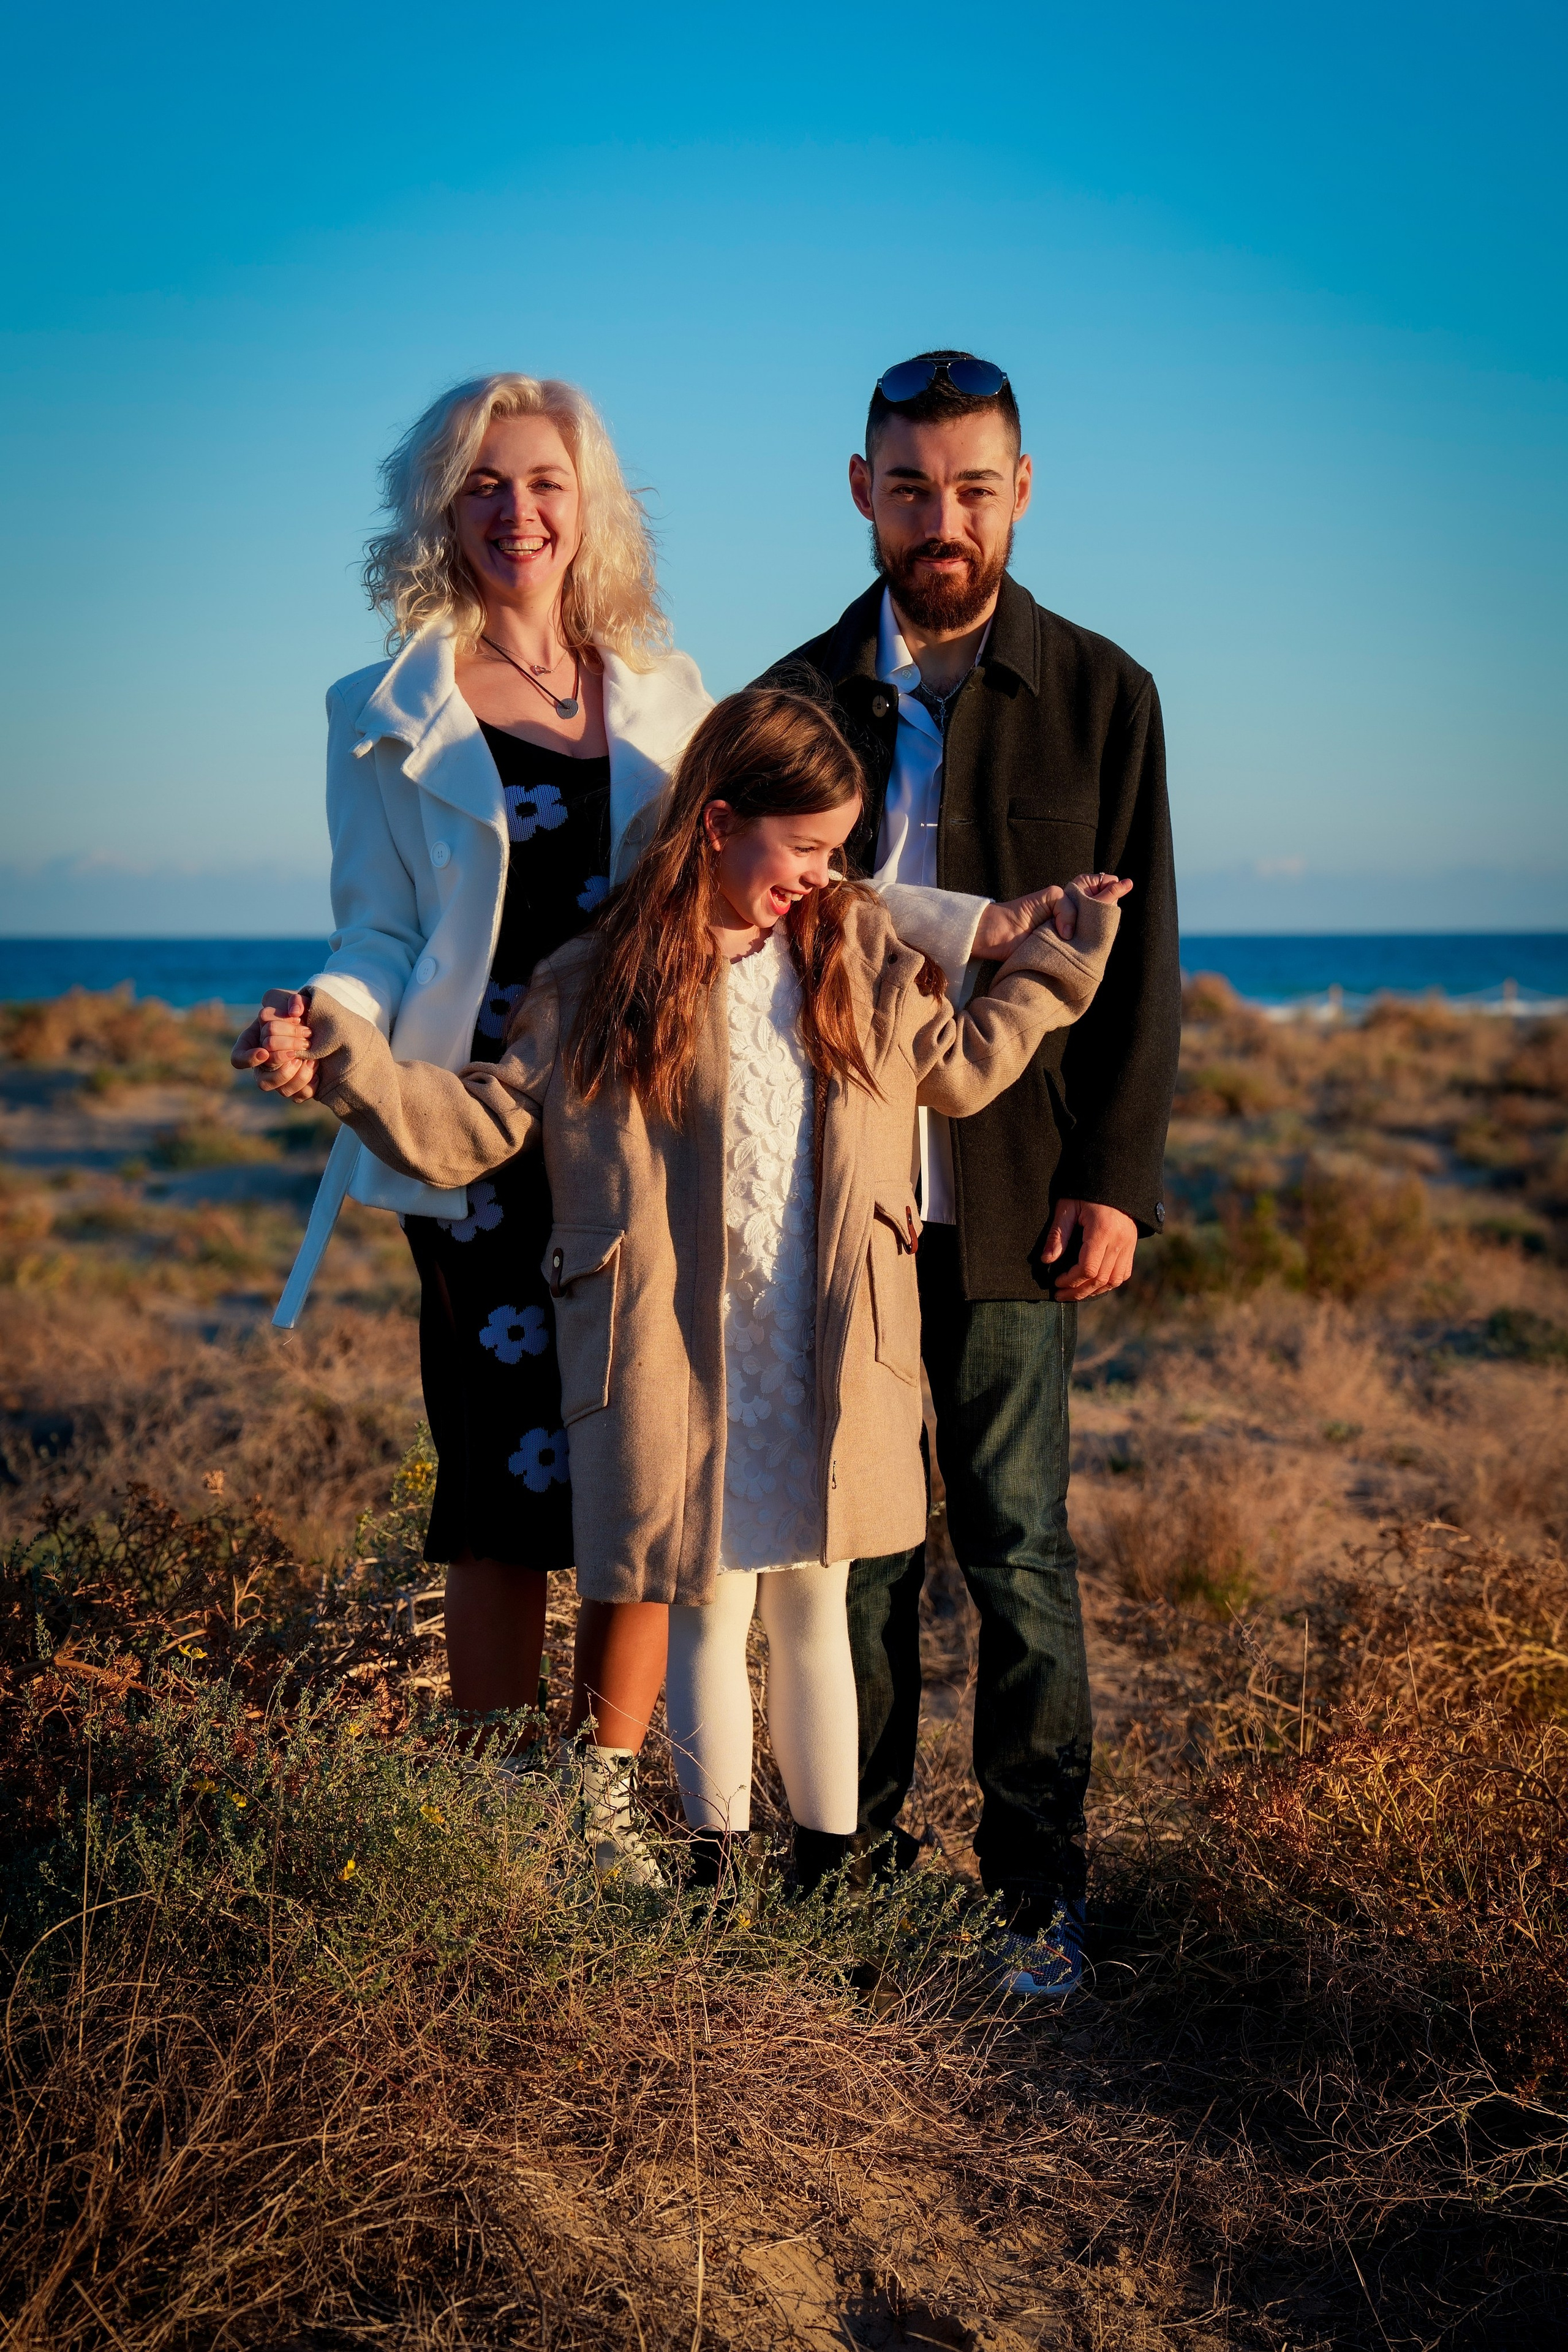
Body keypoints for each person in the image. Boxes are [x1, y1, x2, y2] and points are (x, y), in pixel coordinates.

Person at [233, 372, 1065, 1882]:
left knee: (652, 1452)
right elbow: (372, 929)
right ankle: (486, 1802)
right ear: (442, 509)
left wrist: (975, 925)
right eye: (483, 485)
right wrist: (328, 1033)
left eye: (543, 481)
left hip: (652, 1101)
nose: (516, 510)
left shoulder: (663, 688)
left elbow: (797, 864)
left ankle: (603, 1798)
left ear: (586, 503)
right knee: (502, 1483)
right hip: (488, 1112)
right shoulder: (381, 709)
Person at [761, 352, 1181, 1992]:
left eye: (975, 487)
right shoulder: (791, 698)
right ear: (862, 489)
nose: (945, 519)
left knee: (1015, 1546)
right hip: (840, 1201)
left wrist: (1116, 1176)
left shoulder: (1105, 693)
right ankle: (852, 1879)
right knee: (854, 1546)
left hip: (1020, 1196)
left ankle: (1037, 1900)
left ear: (1022, 489)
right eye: (913, 486)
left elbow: (1141, 974)